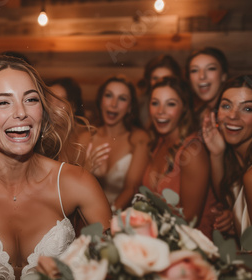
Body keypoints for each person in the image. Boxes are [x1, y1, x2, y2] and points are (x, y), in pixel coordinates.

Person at [0, 1, 111, 279]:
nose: (21, 113)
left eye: (31, 99)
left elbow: (115, 267)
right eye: (3, 103)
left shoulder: (76, 184)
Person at [142, 77, 217, 238]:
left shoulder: (192, 152)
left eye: (171, 104)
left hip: (190, 244)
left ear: (184, 109)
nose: (161, 111)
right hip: (158, 238)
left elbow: (189, 219)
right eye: (155, 103)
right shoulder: (158, 143)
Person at [202, 75, 252, 260]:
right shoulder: (239, 163)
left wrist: (212, 259)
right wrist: (217, 154)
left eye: (247, 108)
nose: (232, 116)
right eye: (226, 105)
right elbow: (227, 196)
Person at [87, 76, 150, 210]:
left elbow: (131, 188)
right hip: (86, 213)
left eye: (122, 98)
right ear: (100, 101)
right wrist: (87, 171)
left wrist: (109, 220)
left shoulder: (139, 139)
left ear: (130, 107)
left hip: (121, 217)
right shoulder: (86, 137)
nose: (113, 104)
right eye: (109, 95)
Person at [138, 54, 182, 128]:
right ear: (148, 80)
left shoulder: (183, 106)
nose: (159, 83)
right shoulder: (140, 105)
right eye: (155, 78)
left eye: (166, 79)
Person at [185, 47, 228, 123]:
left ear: (223, 75)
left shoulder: (230, 115)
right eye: (194, 70)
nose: (202, 76)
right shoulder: (196, 114)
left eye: (211, 68)